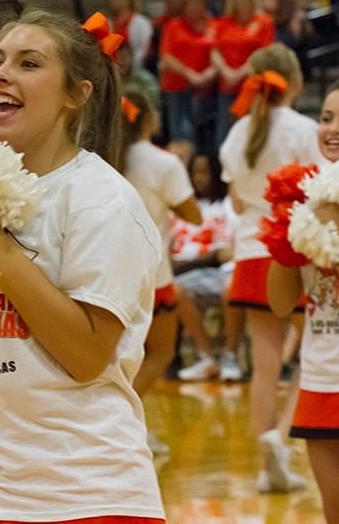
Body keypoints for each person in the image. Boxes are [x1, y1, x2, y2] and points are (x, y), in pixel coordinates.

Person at [0, 8, 166, 523]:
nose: (1, 74)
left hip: (91, 495)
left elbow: (88, 355)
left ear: (77, 94)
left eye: (29, 64)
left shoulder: (101, 199)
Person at [268, 77, 339, 523]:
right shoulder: (307, 202)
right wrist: (284, 237)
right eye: (327, 117)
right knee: (337, 515)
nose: (333, 128)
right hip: (321, 379)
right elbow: (280, 305)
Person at [218, 42, 324, 493]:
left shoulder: (237, 133)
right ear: (294, 83)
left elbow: (237, 200)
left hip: (249, 250)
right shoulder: (304, 129)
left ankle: (266, 465)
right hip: (296, 252)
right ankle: (280, 437)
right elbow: (322, 192)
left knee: (263, 364)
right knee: (311, 357)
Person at [120, 85, 202, 455]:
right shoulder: (162, 162)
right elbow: (194, 216)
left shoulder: (100, 158)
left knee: (116, 358)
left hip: (104, 271)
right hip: (152, 275)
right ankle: (120, 421)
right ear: (150, 118)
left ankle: (121, 424)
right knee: (160, 352)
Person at [171, 153, 244, 382]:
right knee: (172, 290)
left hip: (218, 273)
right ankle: (208, 357)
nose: (199, 178)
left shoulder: (224, 208)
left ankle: (230, 355)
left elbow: (222, 255)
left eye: (205, 172)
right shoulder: (179, 211)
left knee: (231, 288)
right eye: (195, 173)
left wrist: (186, 264)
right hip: (187, 274)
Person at [211, 0, 275, 147]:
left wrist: (240, 73)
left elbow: (264, 52)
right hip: (227, 87)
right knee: (225, 136)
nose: (242, 1)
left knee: (252, 135)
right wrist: (227, 72)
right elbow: (215, 51)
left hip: (253, 87)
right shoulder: (223, 23)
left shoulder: (264, 22)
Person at [159, 0, 217, 150]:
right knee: (183, 133)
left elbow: (218, 53)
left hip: (208, 88)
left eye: (197, 3)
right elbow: (166, 58)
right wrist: (190, 74)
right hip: (177, 88)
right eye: (190, 3)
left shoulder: (214, 25)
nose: (192, 8)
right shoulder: (173, 25)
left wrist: (208, 74)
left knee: (206, 138)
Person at [108, 0, 155, 68]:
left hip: (139, 66)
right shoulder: (109, 23)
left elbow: (144, 48)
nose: (113, 1)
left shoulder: (140, 22)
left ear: (128, 1)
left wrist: (131, 66)